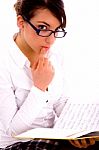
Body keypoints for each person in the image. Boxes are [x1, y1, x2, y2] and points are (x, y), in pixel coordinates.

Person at [0, 0, 98, 149]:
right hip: (15, 144)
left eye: (56, 29)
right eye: (42, 27)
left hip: (51, 138)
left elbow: (60, 102)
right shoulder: (4, 63)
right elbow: (13, 131)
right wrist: (39, 88)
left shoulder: (54, 55)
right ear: (21, 22)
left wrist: (80, 131)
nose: (50, 40)